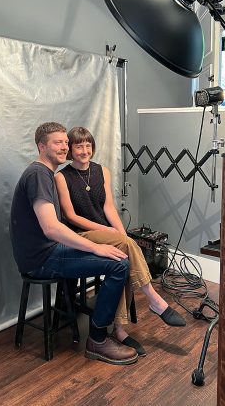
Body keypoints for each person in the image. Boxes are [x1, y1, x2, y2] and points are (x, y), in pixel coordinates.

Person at [10, 122, 137, 365]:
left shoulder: (44, 173)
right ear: (41, 146)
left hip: (46, 252)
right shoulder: (39, 174)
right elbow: (51, 227)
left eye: (65, 142)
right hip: (42, 258)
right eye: (58, 142)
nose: (64, 147)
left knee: (117, 256)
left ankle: (107, 329)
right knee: (118, 265)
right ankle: (98, 340)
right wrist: (95, 247)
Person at [54, 126, 186, 357]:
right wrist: (105, 229)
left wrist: (119, 232)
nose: (84, 151)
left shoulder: (101, 171)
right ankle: (153, 298)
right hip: (81, 235)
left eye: (88, 145)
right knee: (126, 247)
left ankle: (119, 328)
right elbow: (69, 216)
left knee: (125, 256)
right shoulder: (61, 177)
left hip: (105, 231)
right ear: (70, 150)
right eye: (78, 146)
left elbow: (108, 207)